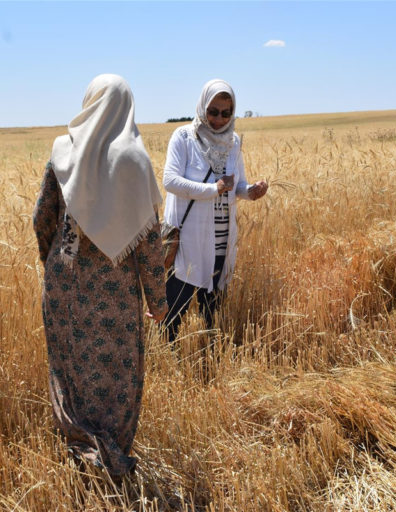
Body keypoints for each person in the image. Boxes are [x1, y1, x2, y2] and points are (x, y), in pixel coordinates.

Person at [33, 74, 168, 479]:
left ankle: (80, 453)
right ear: (127, 107)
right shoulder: (134, 161)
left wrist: (54, 266)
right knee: (116, 377)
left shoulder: (62, 151)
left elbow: (42, 218)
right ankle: (110, 458)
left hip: (64, 285)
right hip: (115, 295)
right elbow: (149, 243)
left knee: (69, 374)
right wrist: (158, 302)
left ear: (89, 102)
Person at [162, 79, 268, 343]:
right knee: (174, 312)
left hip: (222, 239)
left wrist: (250, 191)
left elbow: (236, 184)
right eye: (213, 111)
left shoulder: (233, 142)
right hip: (189, 240)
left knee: (212, 312)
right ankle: (170, 361)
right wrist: (213, 189)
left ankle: (208, 362)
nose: (219, 119)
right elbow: (170, 181)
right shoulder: (184, 137)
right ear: (202, 107)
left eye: (226, 113)